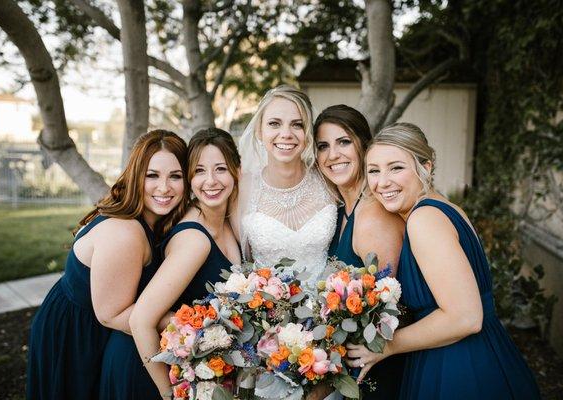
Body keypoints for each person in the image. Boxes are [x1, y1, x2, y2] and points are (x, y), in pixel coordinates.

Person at [347, 123, 541, 399]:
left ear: (425, 167)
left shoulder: (424, 220)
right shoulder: (446, 208)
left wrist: (385, 347)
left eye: (396, 167)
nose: (383, 182)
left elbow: (465, 318)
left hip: (459, 366)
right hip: (479, 351)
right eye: (374, 171)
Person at [26, 130, 187, 400]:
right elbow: (111, 314)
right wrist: (190, 326)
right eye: (152, 175)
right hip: (75, 334)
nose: (164, 187)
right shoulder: (124, 233)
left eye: (175, 176)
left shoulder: (151, 219)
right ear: (135, 175)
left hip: (93, 327)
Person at [128, 128, 242, 398]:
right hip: (160, 375)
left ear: (237, 171)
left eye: (221, 169)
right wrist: (170, 393)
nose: (210, 181)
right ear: (189, 178)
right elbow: (140, 320)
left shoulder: (228, 221)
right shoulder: (194, 239)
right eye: (199, 171)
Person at [314, 105, 405, 399]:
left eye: (344, 142)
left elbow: (390, 307)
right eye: (323, 146)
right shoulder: (341, 211)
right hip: (348, 364)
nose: (333, 155)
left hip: (374, 366)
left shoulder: (373, 215)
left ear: (363, 146)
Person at [237, 85, 337, 288]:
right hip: (264, 312)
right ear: (259, 130)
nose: (286, 134)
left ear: (308, 132)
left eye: (297, 125)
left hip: (329, 310)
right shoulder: (241, 188)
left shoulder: (329, 180)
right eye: (274, 123)